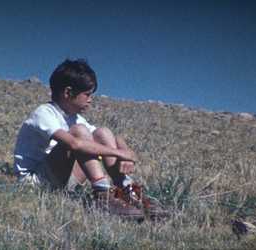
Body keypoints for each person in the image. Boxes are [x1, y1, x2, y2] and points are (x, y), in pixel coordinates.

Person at [13, 59, 167, 220]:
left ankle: (127, 191)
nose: (90, 99)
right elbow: (75, 144)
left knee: (102, 132)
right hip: (35, 183)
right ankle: (102, 195)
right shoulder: (44, 113)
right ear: (67, 93)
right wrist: (120, 153)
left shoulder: (74, 118)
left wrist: (126, 151)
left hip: (61, 179)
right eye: (87, 94)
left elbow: (109, 137)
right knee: (79, 133)